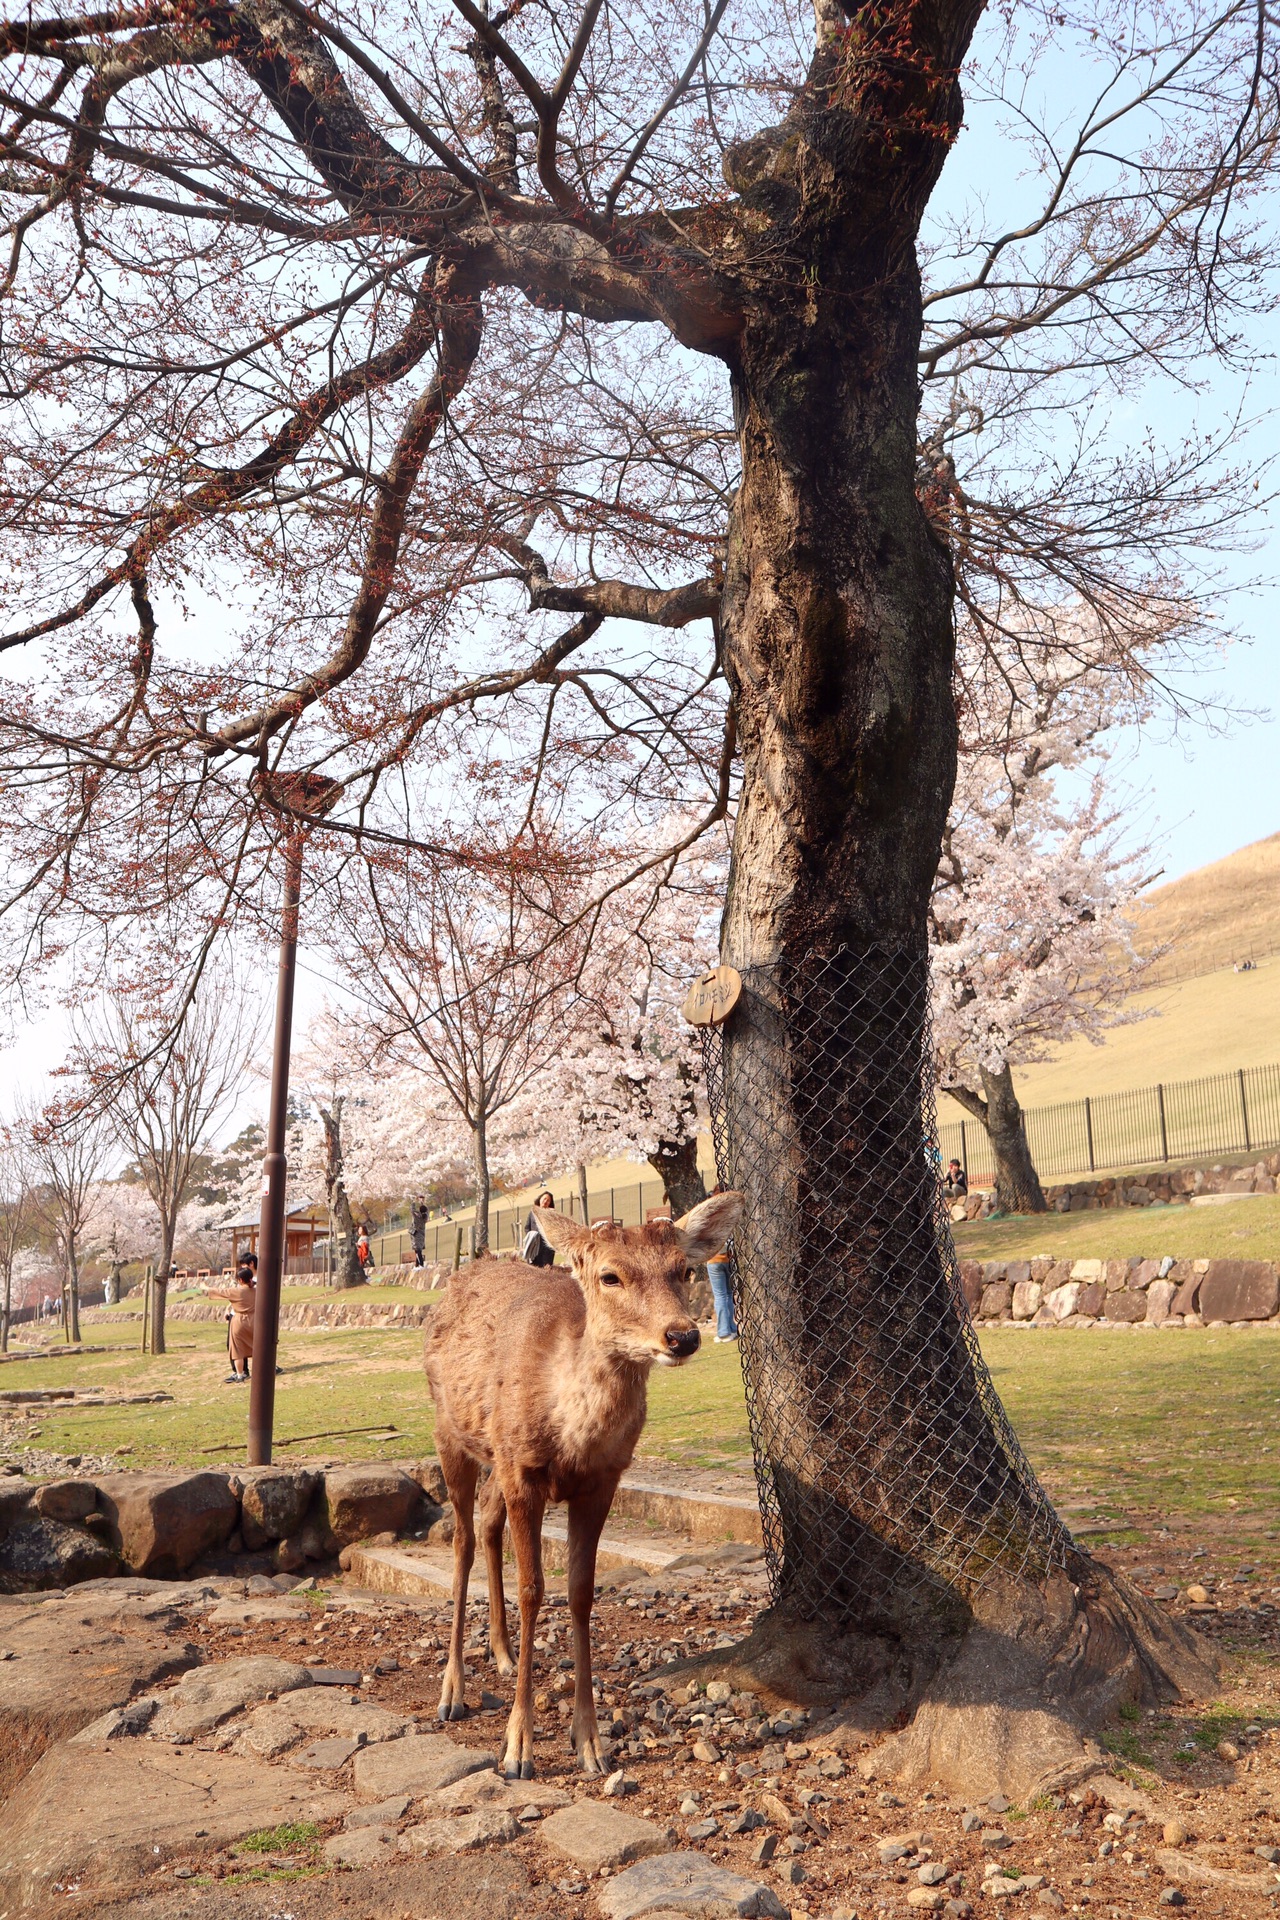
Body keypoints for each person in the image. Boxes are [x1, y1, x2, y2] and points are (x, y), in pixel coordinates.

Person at [203, 1263, 255, 1384]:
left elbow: (219, 1291)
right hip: (255, 1321)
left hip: (239, 1321)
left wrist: (205, 1287)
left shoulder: (235, 1291)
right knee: (257, 1347)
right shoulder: (257, 1290)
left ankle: (240, 1374)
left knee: (238, 1350)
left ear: (240, 1280)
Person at [705, 1187, 737, 1344]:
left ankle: (723, 1331)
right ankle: (732, 1328)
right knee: (729, 1294)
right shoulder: (731, 1214)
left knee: (720, 1295)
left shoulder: (712, 1216)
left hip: (714, 1260)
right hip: (729, 1259)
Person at [523, 1190, 557, 1267]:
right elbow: (527, 1227)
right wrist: (531, 1237)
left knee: (546, 1269)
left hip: (547, 1247)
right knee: (533, 1268)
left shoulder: (551, 1214)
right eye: (544, 1199)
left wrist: (552, 1214)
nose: (545, 1201)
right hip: (534, 1245)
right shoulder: (533, 1212)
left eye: (548, 1200)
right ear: (540, 1199)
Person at [410, 1196, 428, 1268]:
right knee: (419, 1250)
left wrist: (414, 1201)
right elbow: (425, 1210)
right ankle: (417, 1265)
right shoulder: (425, 1217)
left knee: (417, 1251)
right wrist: (422, 1202)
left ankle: (420, 1265)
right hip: (422, 1234)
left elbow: (412, 1210)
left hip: (416, 1234)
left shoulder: (418, 1216)